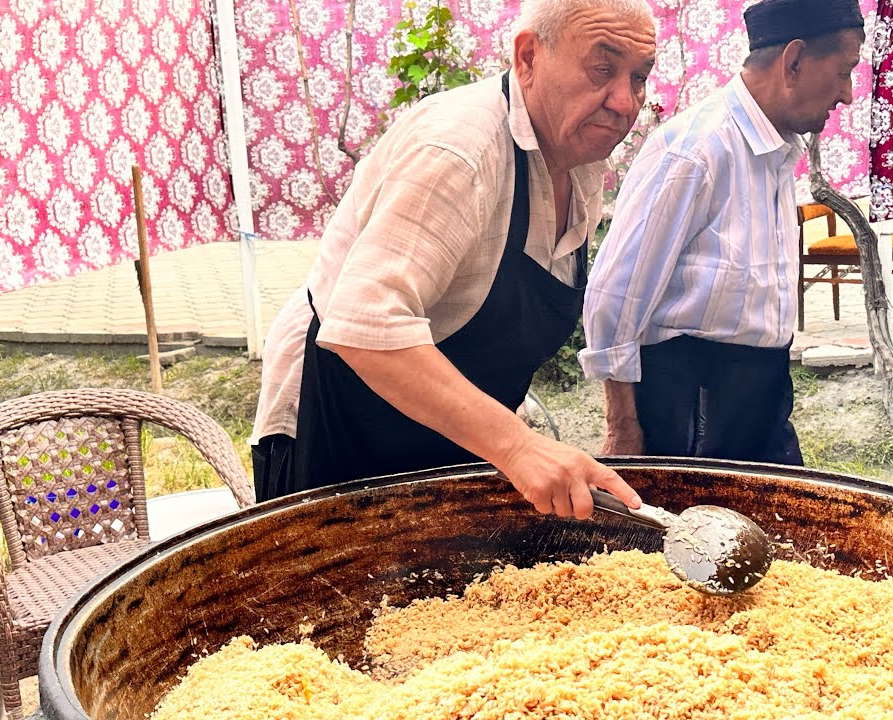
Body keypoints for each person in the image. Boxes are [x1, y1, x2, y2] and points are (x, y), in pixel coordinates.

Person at [250, 0, 657, 520]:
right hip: (339, 429)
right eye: (602, 69)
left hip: (443, 442)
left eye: (639, 77)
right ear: (528, 56)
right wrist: (519, 447)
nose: (625, 102)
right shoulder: (460, 151)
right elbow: (362, 323)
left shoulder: (578, 163)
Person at [579, 0, 865, 464]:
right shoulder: (694, 152)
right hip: (689, 413)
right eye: (842, 72)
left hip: (764, 400)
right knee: (689, 536)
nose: (848, 94)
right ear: (793, 62)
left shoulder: (778, 151)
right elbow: (615, 297)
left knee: (781, 532)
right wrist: (622, 427)